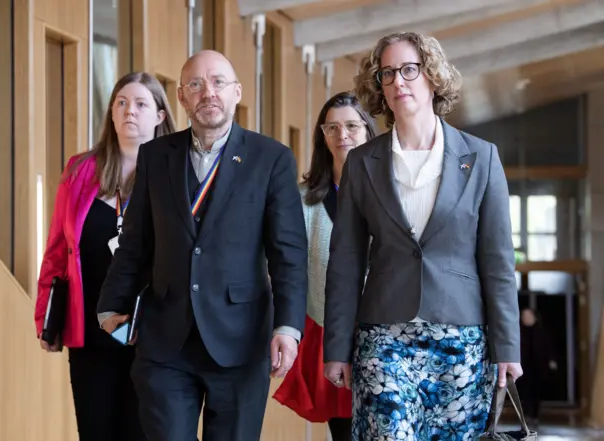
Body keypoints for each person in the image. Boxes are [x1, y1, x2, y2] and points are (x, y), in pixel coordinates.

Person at [96, 49, 308, 441]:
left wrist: (288, 327)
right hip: (165, 340)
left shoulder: (271, 158)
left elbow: (288, 255)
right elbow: (136, 241)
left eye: (218, 83)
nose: (207, 92)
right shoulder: (156, 155)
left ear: (237, 92)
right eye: (195, 84)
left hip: (241, 340)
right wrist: (112, 304)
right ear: (181, 96)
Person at [322, 32, 523, 440]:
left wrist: (508, 348)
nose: (399, 81)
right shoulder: (362, 163)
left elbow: (498, 261)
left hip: (462, 337)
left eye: (409, 70)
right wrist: (337, 348)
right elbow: (345, 263)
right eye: (388, 73)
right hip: (384, 336)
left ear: (432, 76)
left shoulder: (481, 157)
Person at [35, 71, 176, 441]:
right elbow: (55, 252)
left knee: (143, 432)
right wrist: (45, 319)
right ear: (111, 113)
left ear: (160, 115)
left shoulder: (176, 173)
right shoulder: (80, 170)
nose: (130, 111)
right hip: (91, 331)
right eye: (122, 103)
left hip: (152, 332)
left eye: (141, 104)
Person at [273, 91, 378, 441]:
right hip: (327, 330)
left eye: (351, 126)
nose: (341, 135)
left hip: (384, 331)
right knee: (346, 432)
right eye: (331, 127)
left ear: (367, 130)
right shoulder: (303, 200)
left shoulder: (390, 191)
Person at [519, 307, 557, 426]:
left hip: (538, 366)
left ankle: (535, 414)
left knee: (536, 391)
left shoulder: (541, 331)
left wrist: (551, 360)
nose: (526, 318)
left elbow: (548, 347)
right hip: (523, 366)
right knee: (524, 392)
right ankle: (526, 415)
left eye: (529, 316)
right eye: (524, 316)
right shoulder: (519, 332)